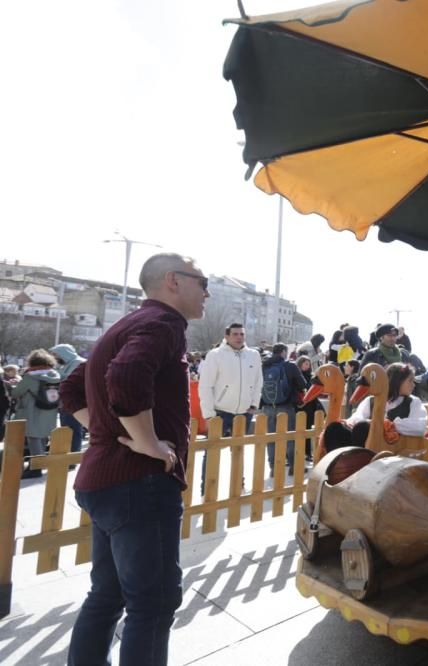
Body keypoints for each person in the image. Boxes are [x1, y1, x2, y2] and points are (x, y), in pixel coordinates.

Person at [62, 252, 208, 666]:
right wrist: (144, 441)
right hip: (139, 484)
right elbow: (125, 377)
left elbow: (73, 388)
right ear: (172, 282)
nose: (207, 293)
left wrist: (111, 430)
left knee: (107, 595)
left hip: (104, 482)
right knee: (153, 604)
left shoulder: (128, 323)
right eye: (203, 281)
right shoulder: (163, 323)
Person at [197, 323, 262, 493]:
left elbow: (258, 382)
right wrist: (209, 414)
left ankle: (238, 484)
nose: (239, 337)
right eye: (235, 334)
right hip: (220, 411)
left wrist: (254, 404)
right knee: (212, 451)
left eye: (242, 334)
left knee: (239, 450)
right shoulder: (215, 355)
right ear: (227, 336)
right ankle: (206, 488)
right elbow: (205, 385)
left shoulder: (253, 355)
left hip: (244, 412)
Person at [322, 363, 426, 451]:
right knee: (335, 428)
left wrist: (388, 425)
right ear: (397, 381)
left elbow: (420, 426)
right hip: (367, 442)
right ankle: (341, 461)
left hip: (394, 450)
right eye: (410, 380)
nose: (413, 385)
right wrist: (350, 423)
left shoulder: (413, 402)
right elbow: (358, 417)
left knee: (364, 427)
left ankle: (359, 461)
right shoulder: (371, 400)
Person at [10, 349, 62, 479]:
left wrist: (13, 386)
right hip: (50, 411)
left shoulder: (30, 376)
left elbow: (16, 393)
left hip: (32, 411)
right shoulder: (56, 375)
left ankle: (36, 468)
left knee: (33, 438)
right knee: (43, 437)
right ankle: (39, 463)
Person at [261, 343, 308, 475]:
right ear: (283, 352)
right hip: (286, 406)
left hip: (267, 406)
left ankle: (273, 468)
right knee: (290, 437)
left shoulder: (264, 366)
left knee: (271, 438)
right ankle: (293, 466)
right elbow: (303, 384)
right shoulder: (290, 365)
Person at [50, 343, 87, 456]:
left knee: (73, 430)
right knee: (67, 429)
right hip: (66, 403)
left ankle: (72, 457)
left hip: (75, 402)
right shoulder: (68, 364)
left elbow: (68, 380)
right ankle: (68, 455)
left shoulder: (78, 362)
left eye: (56, 355)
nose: (55, 358)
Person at [296, 355, 325, 462]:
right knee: (301, 429)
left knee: (308, 429)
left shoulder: (312, 377)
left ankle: (308, 453)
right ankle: (300, 452)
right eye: (305, 364)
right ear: (300, 364)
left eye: (308, 364)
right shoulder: (297, 376)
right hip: (301, 406)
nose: (308, 366)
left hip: (311, 406)